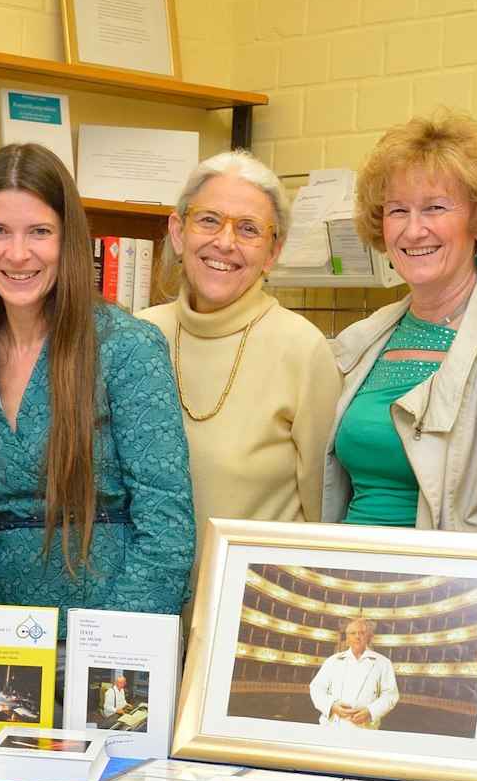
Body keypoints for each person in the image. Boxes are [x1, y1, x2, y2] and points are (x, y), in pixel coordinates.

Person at [325, 112, 477, 768]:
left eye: (436, 207)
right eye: (397, 209)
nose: (413, 228)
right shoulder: (364, 339)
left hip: (449, 635)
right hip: (348, 621)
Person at [0, 144, 194, 623]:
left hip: (110, 624)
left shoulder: (127, 346)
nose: (18, 254)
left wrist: (113, 646)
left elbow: (167, 523)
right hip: (2, 632)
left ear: (68, 241)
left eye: (40, 232)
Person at [137, 151, 339, 534]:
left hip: (256, 591)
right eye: (209, 220)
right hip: (142, 592)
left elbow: (323, 511)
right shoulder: (136, 337)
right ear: (179, 233)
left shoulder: (302, 349)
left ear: (272, 253)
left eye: (248, 229)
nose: (225, 242)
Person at [307, 619, 399, 729]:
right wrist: (332, 706)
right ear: (347, 637)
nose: (357, 636)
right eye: (353, 633)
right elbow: (316, 689)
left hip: (365, 729)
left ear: (367, 636)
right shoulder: (332, 661)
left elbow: (390, 695)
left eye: (361, 633)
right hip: (332, 726)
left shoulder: (383, 663)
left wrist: (370, 711)